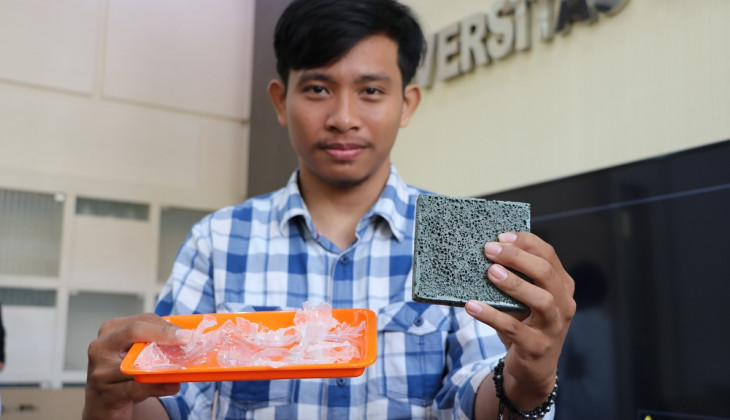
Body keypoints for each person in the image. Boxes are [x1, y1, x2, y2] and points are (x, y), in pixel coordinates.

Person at [83, 0, 575, 419]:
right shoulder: (218, 239)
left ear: (407, 104)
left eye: (370, 91)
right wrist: (113, 398)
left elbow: (475, 395)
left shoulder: (462, 238)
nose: (343, 118)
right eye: (318, 89)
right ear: (281, 101)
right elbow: (171, 401)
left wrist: (526, 379)